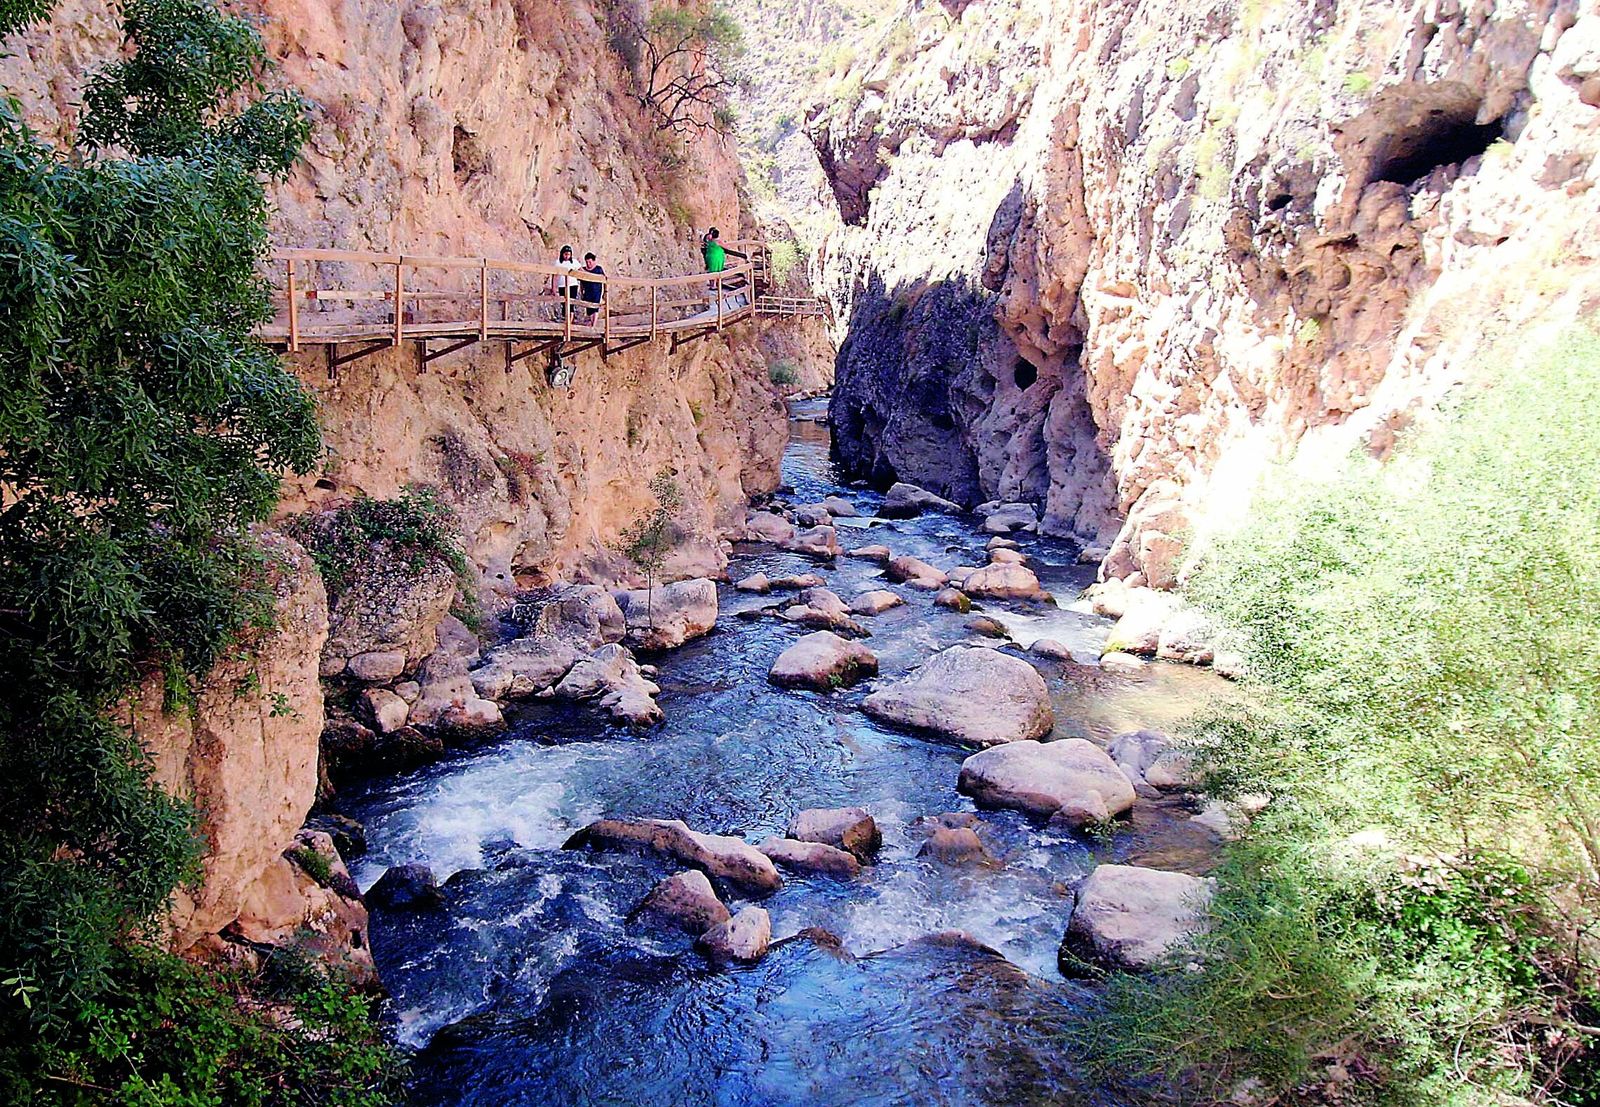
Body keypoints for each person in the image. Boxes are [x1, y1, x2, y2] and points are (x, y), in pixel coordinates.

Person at [548, 244, 580, 320]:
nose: (567, 256)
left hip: (572, 285)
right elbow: (555, 276)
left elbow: (581, 271)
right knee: (564, 303)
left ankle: (570, 323)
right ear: (562, 254)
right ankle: (567, 321)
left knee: (571, 303)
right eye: (565, 254)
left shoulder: (574, 262)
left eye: (568, 254)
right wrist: (553, 288)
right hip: (562, 285)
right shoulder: (558, 262)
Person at [579, 251, 605, 324]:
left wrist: (605, 293)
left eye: (590, 262)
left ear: (594, 261)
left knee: (595, 308)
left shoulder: (598, 269)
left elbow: (604, 279)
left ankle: (594, 324)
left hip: (596, 291)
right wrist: (581, 292)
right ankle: (591, 322)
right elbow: (581, 282)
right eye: (587, 262)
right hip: (587, 291)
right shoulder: (584, 270)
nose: (588, 264)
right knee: (589, 308)